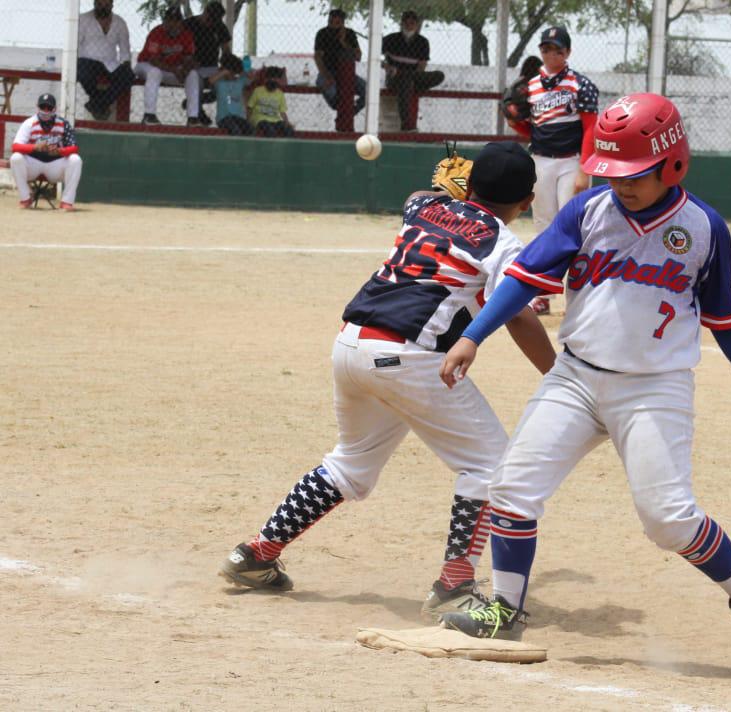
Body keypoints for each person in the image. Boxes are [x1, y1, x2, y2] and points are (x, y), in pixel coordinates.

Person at [438, 94, 731, 678]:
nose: (620, 185)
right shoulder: (586, 212)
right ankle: (506, 608)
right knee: (512, 487)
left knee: (667, 519)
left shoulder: (703, 228)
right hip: (576, 377)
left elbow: (725, 316)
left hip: (654, 388)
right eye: (611, 172)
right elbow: (522, 279)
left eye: (633, 174)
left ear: (672, 163)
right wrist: (473, 335)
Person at [220, 142, 557, 624]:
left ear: (469, 183)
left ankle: (256, 553)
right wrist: (557, 375)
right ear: (526, 203)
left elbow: (418, 194)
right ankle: (455, 584)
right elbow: (520, 316)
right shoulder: (503, 242)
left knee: (350, 464)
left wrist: (451, 193)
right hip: (409, 357)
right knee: (490, 465)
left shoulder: (426, 205)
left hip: (351, 346)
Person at [510, 27, 599, 316]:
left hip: (571, 160)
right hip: (541, 160)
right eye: (546, 49)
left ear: (568, 53)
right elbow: (530, 128)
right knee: (544, 225)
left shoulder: (580, 85)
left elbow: (590, 128)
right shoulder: (531, 86)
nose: (551, 55)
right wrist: (514, 122)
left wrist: (585, 169)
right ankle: (544, 293)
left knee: (574, 223)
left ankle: (582, 289)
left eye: (557, 50)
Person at [10, 94, 83, 212]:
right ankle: (26, 197)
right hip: (34, 163)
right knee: (16, 158)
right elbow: (15, 146)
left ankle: (67, 201)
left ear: (55, 109)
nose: (45, 110)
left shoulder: (63, 123)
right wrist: (35, 147)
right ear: (37, 107)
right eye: (42, 107)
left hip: (55, 164)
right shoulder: (29, 123)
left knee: (75, 159)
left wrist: (60, 151)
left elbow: (74, 148)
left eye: (49, 108)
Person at [134, 6, 200, 126]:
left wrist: (185, 69)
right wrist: (175, 70)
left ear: (181, 23)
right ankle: (149, 115)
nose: (173, 24)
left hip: (170, 70)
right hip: (146, 65)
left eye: (176, 21)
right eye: (170, 20)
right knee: (155, 72)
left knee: (193, 75)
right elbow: (153, 60)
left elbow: (188, 58)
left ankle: (193, 118)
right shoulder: (157, 32)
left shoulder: (186, 35)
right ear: (165, 21)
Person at [382, 10, 444, 131]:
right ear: (402, 23)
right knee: (406, 82)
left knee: (439, 75)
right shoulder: (390, 39)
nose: (409, 25)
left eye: (412, 23)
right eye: (407, 22)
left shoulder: (423, 42)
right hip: (394, 79)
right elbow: (378, 60)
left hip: (414, 77)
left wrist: (413, 74)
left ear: (417, 25)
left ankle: (408, 78)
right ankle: (407, 126)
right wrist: (388, 68)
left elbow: (422, 65)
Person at [77, 0, 135, 121]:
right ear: (94, 4)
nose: (103, 8)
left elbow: (125, 49)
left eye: (106, 5)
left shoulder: (119, 22)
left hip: (110, 63)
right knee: (83, 73)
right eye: (100, 5)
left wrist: (126, 64)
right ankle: (100, 104)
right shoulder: (83, 19)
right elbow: (76, 45)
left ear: (112, 5)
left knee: (129, 76)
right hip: (88, 60)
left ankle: (97, 104)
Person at [314, 8, 367, 124]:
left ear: (342, 23)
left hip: (347, 73)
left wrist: (343, 42)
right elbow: (318, 57)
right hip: (328, 71)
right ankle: (341, 110)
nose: (333, 25)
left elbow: (358, 56)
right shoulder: (322, 33)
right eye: (330, 22)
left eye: (337, 23)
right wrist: (326, 75)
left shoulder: (349, 34)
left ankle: (350, 112)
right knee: (329, 90)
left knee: (368, 91)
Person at [184, 1, 232, 126]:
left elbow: (226, 50)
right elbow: (179, 46)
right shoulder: (189, 24)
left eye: (214, 21)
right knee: (195, 83)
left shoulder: (220, 27)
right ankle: (198, 112)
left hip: (212, 67)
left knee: (223, 85)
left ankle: (221, 117)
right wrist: (187, 62)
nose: (211, 23)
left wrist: (225, 67)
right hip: (192, 68)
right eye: (209, 19)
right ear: (205, 12)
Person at [209, 54, 252, 136]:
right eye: (229, 72)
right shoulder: (220, 83)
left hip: (239, 117)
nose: (231, 75)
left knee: (250, 129)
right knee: (236, 130)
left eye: (234, 72)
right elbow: (211, 80)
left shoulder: (240, 81)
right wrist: (224, 71)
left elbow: (251, 77)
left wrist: (243, 69)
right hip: (224, 118)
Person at [247, 67, 295, 137]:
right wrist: (249, 121)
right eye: (270, 79)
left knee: (288, 129)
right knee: (270, 130)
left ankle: (287, 146)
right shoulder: (258, 91)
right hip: (260, 119)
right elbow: (249, 108)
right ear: (266, 79)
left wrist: (287, 123)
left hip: (275, 120)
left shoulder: (280, 94)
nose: (272, 81)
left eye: (275, 80)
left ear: (278, 81)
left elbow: (282, 112)